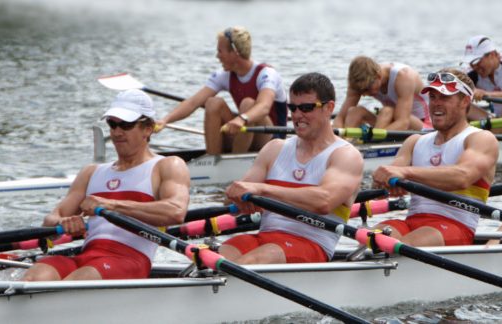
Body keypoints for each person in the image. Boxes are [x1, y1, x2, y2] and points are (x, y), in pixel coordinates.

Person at [22, 89, 191, 281]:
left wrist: (110, 205)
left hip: (129, 260)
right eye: (112, 124)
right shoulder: (91, 172)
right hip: (87, 256)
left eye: (126, 125)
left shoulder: (167, 165)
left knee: (78, 280)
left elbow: (176, 212)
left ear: (148, 128)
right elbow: (49, 223)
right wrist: (63, 223)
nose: (117, 132)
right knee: (36, 275)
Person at [220, 72, 364, 264]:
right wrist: (236, 195)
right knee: (218, 255)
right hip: (265, 237)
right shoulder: (274, 148)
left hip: (311, 245)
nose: (297, 115)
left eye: (306, 108)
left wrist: (262, 189)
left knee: (260, 257)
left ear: (329, 107)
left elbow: (324, 201)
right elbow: (233, 196)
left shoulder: (345, 155)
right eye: (292, 108)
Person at [371, 69, 499, 246]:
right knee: (370, 238)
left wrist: (405, 173)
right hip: (411, 222)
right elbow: (386, 181)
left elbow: (462, 177)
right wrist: (382, 180)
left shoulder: (480, 138)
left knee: (404, 246)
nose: (436, 104)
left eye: (444, 98)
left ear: (464, 101)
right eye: (433, 97)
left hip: (455, 226)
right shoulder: (414, 142)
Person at [156, 26, 288, 154]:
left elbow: (264, 107)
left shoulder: (266, 74)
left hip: (271, 139)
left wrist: (241, 119)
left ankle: (235, 160)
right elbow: (193, 103)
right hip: (246, 133)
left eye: (220, 51)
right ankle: (213, 160)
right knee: (213, 103)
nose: (217, 56)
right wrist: (165, 120)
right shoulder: (224, 75)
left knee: (248, 103)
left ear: (235, 53)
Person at [333, 56, 431, 131]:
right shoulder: (358, 81)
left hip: (421, 124)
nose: (364, 94)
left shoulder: (404, 77)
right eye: (361, 91)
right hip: (389, 124)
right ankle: (346, 143)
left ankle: (374, 141)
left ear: (379, 76)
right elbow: (341, 117)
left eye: (367, 89)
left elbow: (403, 123)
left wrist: (372, 136)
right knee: (354, 111)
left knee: (388, 110)